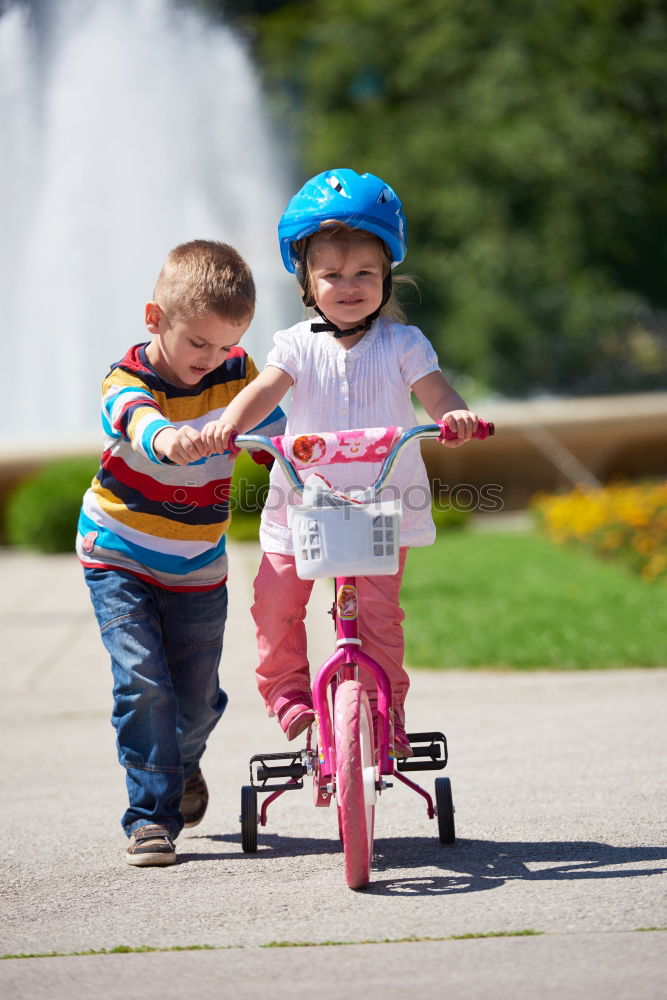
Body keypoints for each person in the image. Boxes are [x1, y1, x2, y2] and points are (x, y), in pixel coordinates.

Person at [201, 169, 478, 758]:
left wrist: (456, 417)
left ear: (387, 277)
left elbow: (437, 394)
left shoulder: (404, 345)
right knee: (275, 603)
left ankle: (386, 710)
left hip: (382, 505)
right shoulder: (295, 345)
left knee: (379, 617)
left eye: (364, 274)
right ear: (306, 282)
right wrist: (229, 423)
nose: (349, 286)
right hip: (300, 506)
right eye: (332, 274)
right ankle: (289, 696)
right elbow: (264, 392)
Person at [77, 240, 285, 866]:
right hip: (121, 551)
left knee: (195, 700)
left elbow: (277, 432)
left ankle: (179, 763)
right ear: (154, 319)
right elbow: (137, 420)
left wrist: (292, 449)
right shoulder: (127, 378)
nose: (212, 359)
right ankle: (149, 818)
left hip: (198, 564)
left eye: (225, 345)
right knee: (145, 684)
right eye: (198, 343)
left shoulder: (239, 372)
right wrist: (169, 439)